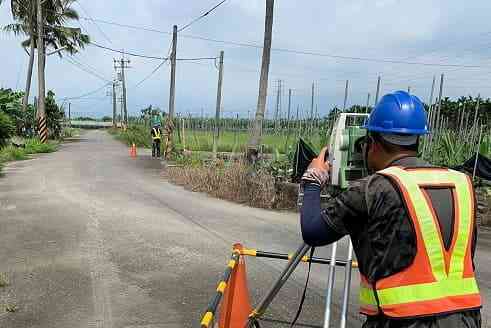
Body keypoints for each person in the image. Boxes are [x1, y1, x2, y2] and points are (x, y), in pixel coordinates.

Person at [300, 91, 482, 328]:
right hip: (466, 319)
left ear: (372, 144)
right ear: (418, 139)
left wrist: (314, 179)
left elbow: (312, 231)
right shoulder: (462, 182)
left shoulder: (373, 189)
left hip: (402, 320)